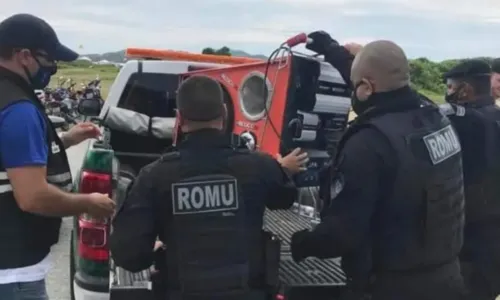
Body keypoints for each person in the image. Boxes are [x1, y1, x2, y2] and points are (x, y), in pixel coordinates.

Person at [291, 31, 466, 300]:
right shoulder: (434, 117)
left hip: (393, 286)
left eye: (355, 87)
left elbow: (342, 233)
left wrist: (301, 243)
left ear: (366, 88)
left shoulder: (370, 142)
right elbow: (384, 79)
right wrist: (334, 50)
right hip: (447, 277)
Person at [109, 75, 308, 299]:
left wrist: (156, 251)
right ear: (224, 113)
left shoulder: (153, 177)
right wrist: (280, 169)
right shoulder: (259, 166)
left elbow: (128, 254)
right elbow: (285, 198)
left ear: (179, 118)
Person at [0, 13, 115, 300]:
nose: (53, 67)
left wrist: (66, 139)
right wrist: (87, 203)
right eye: (49, 59)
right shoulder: (18, 109)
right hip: (13, 271)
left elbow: (11, 156)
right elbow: (32, 197)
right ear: (24, 55)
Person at [442, 59, 500, 300]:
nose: (448, 93)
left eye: (450, 87)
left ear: (465, 89)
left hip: (470, 239)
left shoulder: (465, 123)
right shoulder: (494, 116)